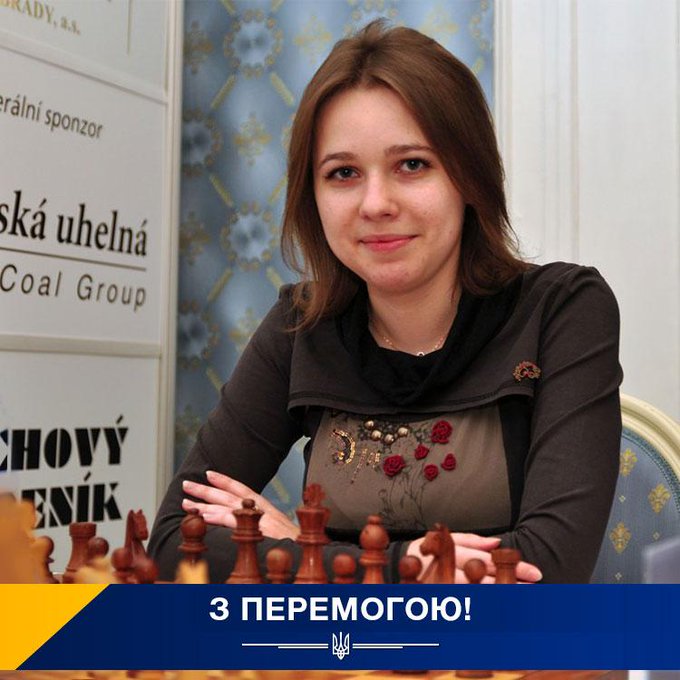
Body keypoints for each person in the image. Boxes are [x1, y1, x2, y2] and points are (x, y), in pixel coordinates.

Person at [149, 20, 622, 584]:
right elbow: (174, 542)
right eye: (343, 173)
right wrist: (384, 568)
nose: (375, 204)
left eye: (412, 165)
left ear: (469, 176)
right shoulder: (300, 325)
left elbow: (549, 570)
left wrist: (304, 550)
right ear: (313, 195)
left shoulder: (562, 310)